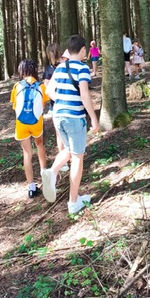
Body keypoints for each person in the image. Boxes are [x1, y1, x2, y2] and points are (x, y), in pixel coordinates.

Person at [41, 35, 100, 214]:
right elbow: (84, 95)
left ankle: (52, 171)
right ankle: (73, 202)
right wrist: (94, 118)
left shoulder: (60, 67)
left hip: (58, 115)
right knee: (77, 157)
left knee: (68, 149)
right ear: (83, 50)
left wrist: (61, 101)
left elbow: (48, 90)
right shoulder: (82, 68)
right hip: (74, 117)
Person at [10, 59, 49, 199]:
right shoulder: (41, 86)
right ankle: (45, 175)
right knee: (40, 145)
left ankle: (31, 187)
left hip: (21, 123)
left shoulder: (16, 86)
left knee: (27, 153)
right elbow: (43, 106)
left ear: (21, 71)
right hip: (36, 122)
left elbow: (14, 106)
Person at [43, 43, 69, 173]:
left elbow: (47, 88)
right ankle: (72, 157)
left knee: (60, 134)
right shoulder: (67, 65)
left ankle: (64, 162)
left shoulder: (48, 70)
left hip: (56, 106)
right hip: (70, 103)